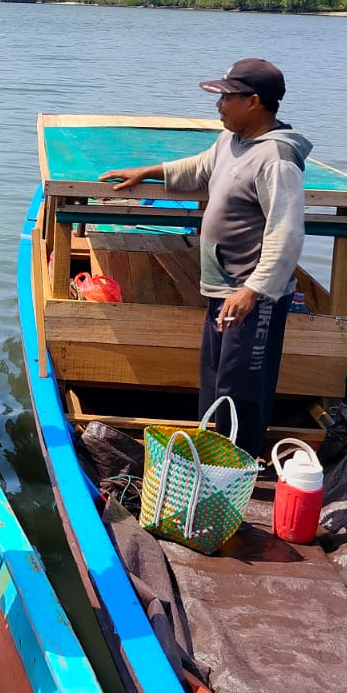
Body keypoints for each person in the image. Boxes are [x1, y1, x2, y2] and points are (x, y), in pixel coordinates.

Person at [99, 58, 310, 457]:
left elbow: (287, 234)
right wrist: (148, 171)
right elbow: (201, 168)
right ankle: (208, 461)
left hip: (252, 298)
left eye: (227, 97)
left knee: (241, 391)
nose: (219, 104)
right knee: (216, 383)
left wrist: (253, 291)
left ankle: (234, 473)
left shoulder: (277, 159)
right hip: (222, 289)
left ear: (253, 102)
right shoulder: (232, 141)